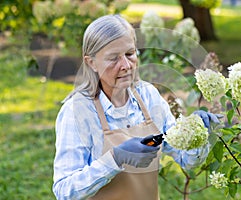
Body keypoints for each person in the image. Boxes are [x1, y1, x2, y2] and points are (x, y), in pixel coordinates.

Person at [52, 14, 220, 200]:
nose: (125, 65)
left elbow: (186, 160)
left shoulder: (149, 97)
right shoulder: (77, 112)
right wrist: (116, 158)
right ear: (91, 63)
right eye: (113, 58)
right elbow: (64, 191)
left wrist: (197, 135)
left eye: (130, 54)